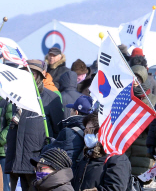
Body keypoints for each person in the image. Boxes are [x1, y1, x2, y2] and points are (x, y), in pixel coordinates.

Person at [5, 60, 64, 191]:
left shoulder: (51, 99)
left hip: (39, 163)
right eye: (25, 73)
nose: (28, 76)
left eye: (32, 73)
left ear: (40, 75)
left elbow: (58, 130)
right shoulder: (17, 98)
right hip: (17, 163)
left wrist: (49, 159)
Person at [71, 111, 130, 191]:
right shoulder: (87, 155)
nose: (87, 135)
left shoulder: (117, 159)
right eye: (86, 131)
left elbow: (115, 188)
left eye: (91, 131)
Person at [125, 65, 156, 176]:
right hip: (125, 149)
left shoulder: (154, 100)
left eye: (138, 78)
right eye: (132, 78)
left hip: (144, 150)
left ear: (144, 79)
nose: (134, 81)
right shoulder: (125, 98)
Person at [43, 96, 93, 163]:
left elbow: (50, 152)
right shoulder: (95, 131)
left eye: (72, 109)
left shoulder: (67, 132)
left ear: (76, 112)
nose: (70, 111)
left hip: (69, 171)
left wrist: (48, 145)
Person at [0, 96, 12, 191]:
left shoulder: (7, 102)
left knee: (4, 187)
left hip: (3, 151)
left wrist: (1, 139)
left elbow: (10, 125)